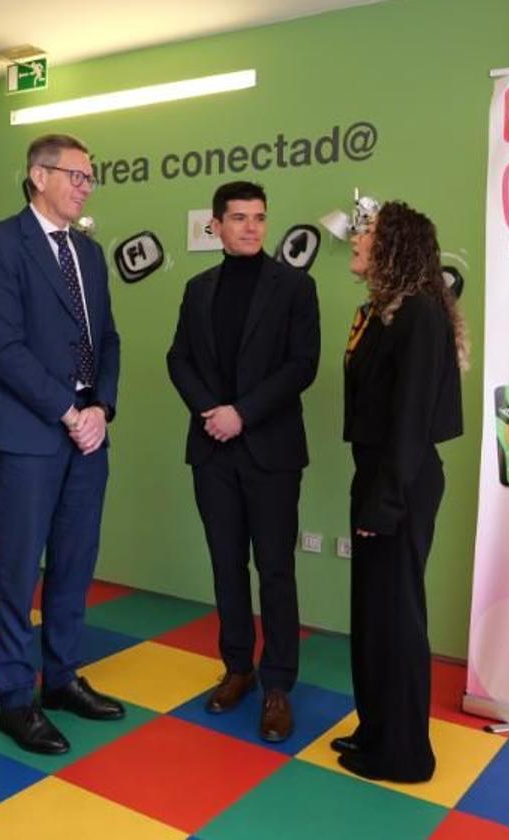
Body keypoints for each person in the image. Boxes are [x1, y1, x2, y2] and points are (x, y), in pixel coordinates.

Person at [0, 133, 124, 755]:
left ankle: (60, 679)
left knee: (74, 563)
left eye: (91, 177)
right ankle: (16, 698)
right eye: (76, 175)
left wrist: (101, 409)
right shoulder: (1, 243)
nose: (86, 186)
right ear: (38, 176)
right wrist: (68, 410)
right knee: (15, 569)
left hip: (88, 434)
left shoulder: (89, 253)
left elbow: (108, 339)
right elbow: (3, 348)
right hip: (28, 432)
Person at [167, 181, 320, 742]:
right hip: (211, 450)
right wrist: (211, 410)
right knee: (226, 564)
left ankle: (278, 683)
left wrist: (242, 413)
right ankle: (238, 667)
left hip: (271, 451)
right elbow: (177, 357)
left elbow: (302, 364)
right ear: (216, 226)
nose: (252, 227)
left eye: (259, 216)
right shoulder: (196, 288)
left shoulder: (295, 287)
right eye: (239, 218)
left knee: (276, 569)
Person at [332, 200, 466, 782]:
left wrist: (383, 502)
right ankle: (376, 730)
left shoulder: (418, 318)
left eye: (367, 235)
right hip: (380, 476)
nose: (357, 242)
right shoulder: (384, 312)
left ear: (393, 248)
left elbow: (410, 420)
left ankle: (406, 754)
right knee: (373, 615)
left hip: (401, 485)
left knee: (398, 617)